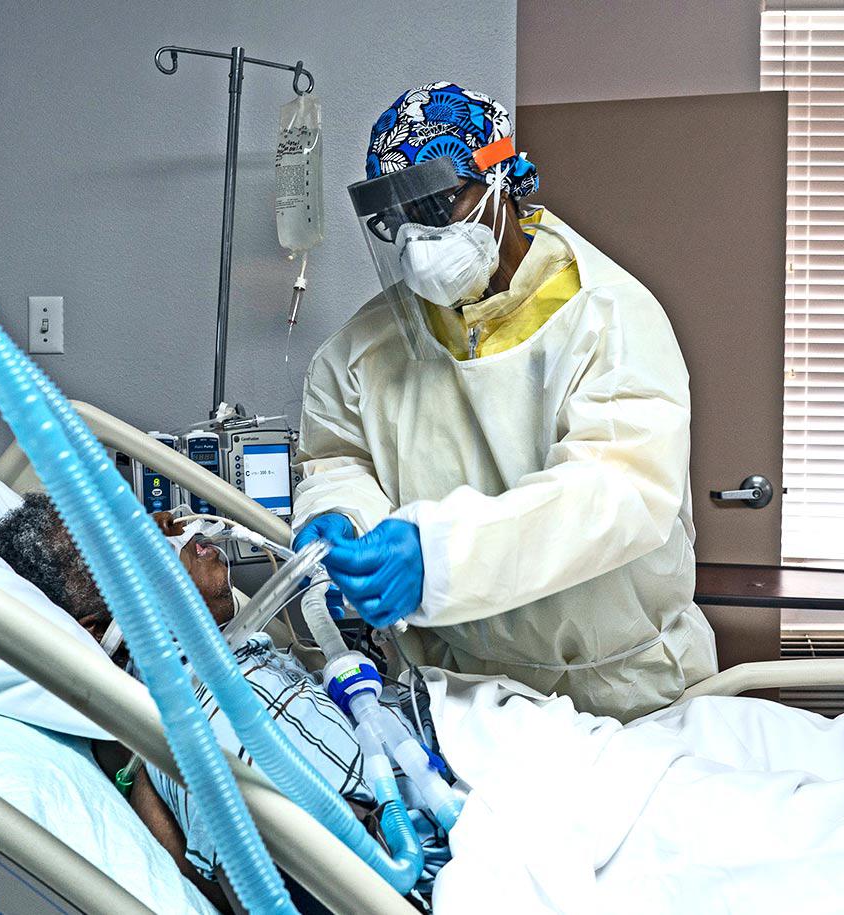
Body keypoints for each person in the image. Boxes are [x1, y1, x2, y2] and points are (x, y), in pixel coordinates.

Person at [293, 82, 716, 721]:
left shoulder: (608, 320)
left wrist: (439, 557)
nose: (417, 238)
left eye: (440, 202)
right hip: (459, 700)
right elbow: (339, 460)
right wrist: (342, 516)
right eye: (396, 218)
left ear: (502, 180)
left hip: (626, 696)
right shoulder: (361, 352)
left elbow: (616, 494)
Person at [0, 495, 447, 912]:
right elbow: (344, 884)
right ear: (100, 629)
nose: (169, 522)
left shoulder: (233, 671)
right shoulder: (220, 720)